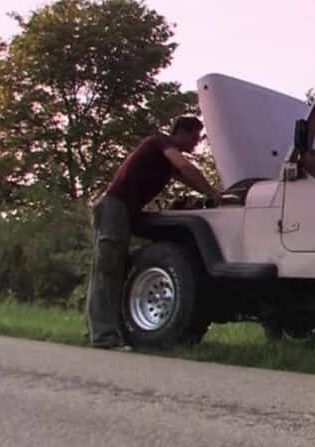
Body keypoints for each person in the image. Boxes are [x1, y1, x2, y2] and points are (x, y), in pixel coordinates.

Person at [86, 116, 221, 350]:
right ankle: (103, 337)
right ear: (179, 132)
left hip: (125, 211)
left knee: (108, 270)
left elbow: (186, 178)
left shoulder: (165, 161)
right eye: (193, 137)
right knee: (108, 271)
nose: (195, 144)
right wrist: (213, 193)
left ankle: (97, 332)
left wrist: (211, 193)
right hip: (114, 207)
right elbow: (186, 168)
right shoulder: (159, 143)